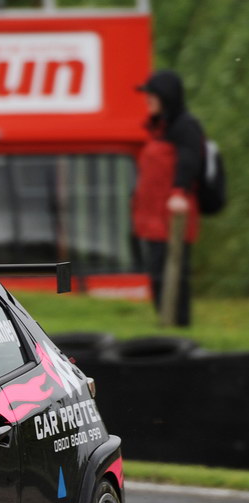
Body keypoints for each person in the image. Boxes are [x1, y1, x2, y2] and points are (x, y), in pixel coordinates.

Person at [132, 69, 206, 327]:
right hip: (152, 217)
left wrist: (179, 193)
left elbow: (189, 161)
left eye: (152, 95)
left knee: (174, 272)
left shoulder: (185, 126)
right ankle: (166, 322)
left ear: (167, 97)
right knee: (156, 273)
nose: (148, 100)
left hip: (171, 214)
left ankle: (179, 324)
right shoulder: (159, 128)